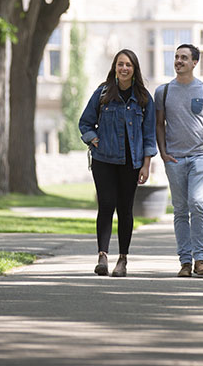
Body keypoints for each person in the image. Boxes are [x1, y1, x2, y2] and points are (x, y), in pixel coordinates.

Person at [78, 49, 157, 278]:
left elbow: (149, 134)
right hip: (104, 160)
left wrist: (146, 164)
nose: (124, 68)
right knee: (106, 205)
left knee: (125, 209)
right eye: (120, 64)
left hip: (131, 162)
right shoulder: (102, 93)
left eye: (128, 65)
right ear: (114, 67)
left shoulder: (143, 98)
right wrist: (93, 139)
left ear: (134, 70)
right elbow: (85, 123)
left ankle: (122, 259)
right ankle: (102, 256)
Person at [155, 44, 203, 277]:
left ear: (195, 62)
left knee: (197, 204)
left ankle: (200, 259)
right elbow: (159, 125)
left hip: (200, 157)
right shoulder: (163, 92)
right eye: (176, 57)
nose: (178, 61)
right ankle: (185, 261)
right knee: (180, 209)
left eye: (184, 58)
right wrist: (163, 153)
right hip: (174, 159)